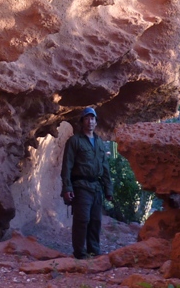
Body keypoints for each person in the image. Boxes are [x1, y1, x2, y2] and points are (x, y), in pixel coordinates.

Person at [60, 106, 113, 259]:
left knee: (96, 220)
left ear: (96, 122)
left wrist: (108, 189)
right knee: (82, 219)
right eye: (87, 118)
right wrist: (67, 187)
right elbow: (67, 166)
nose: (90, 121)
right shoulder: (74, 141)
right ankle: (79, 253)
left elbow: (105, 167)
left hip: (96, 187)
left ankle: (94, 251)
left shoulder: (99, 143)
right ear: (82, 121)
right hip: (80, 186)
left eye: (92, 118)